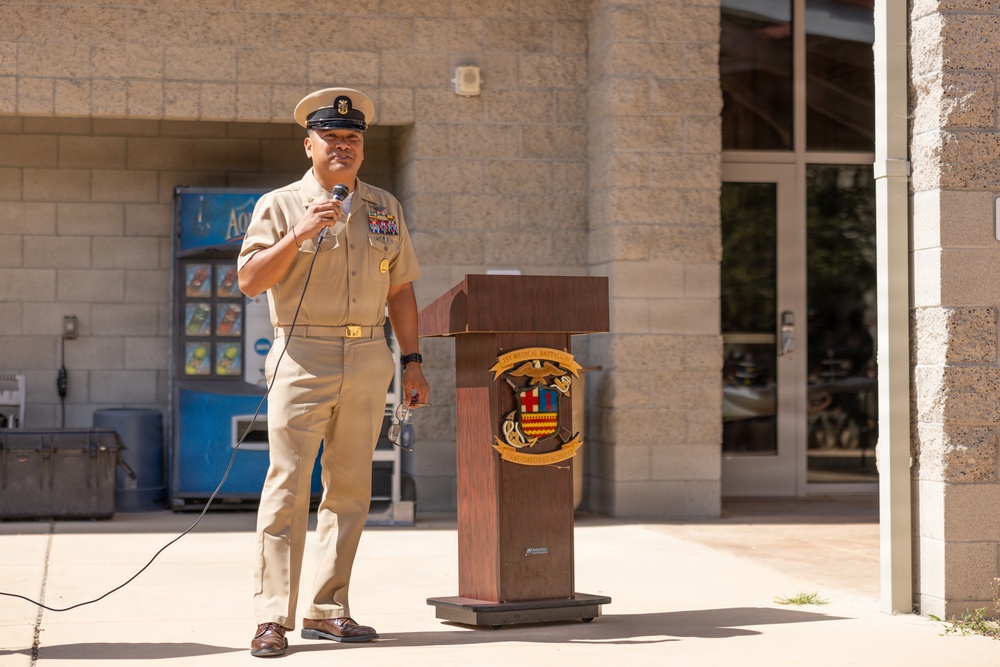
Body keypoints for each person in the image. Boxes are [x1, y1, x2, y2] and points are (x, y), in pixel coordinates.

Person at [238, 87, 429, 658]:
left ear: (362, 148)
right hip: (302, 354)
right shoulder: (280, 205)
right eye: (331, 137)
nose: (342, 146)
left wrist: (412, 362)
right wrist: (300, 233)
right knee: (287, 489)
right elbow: (249, 281)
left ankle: (328, 608)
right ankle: (272, 616)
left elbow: (400, 289)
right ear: (309, 146)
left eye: (352, 138)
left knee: (350, 491)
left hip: (369, 354)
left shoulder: (384, 207)